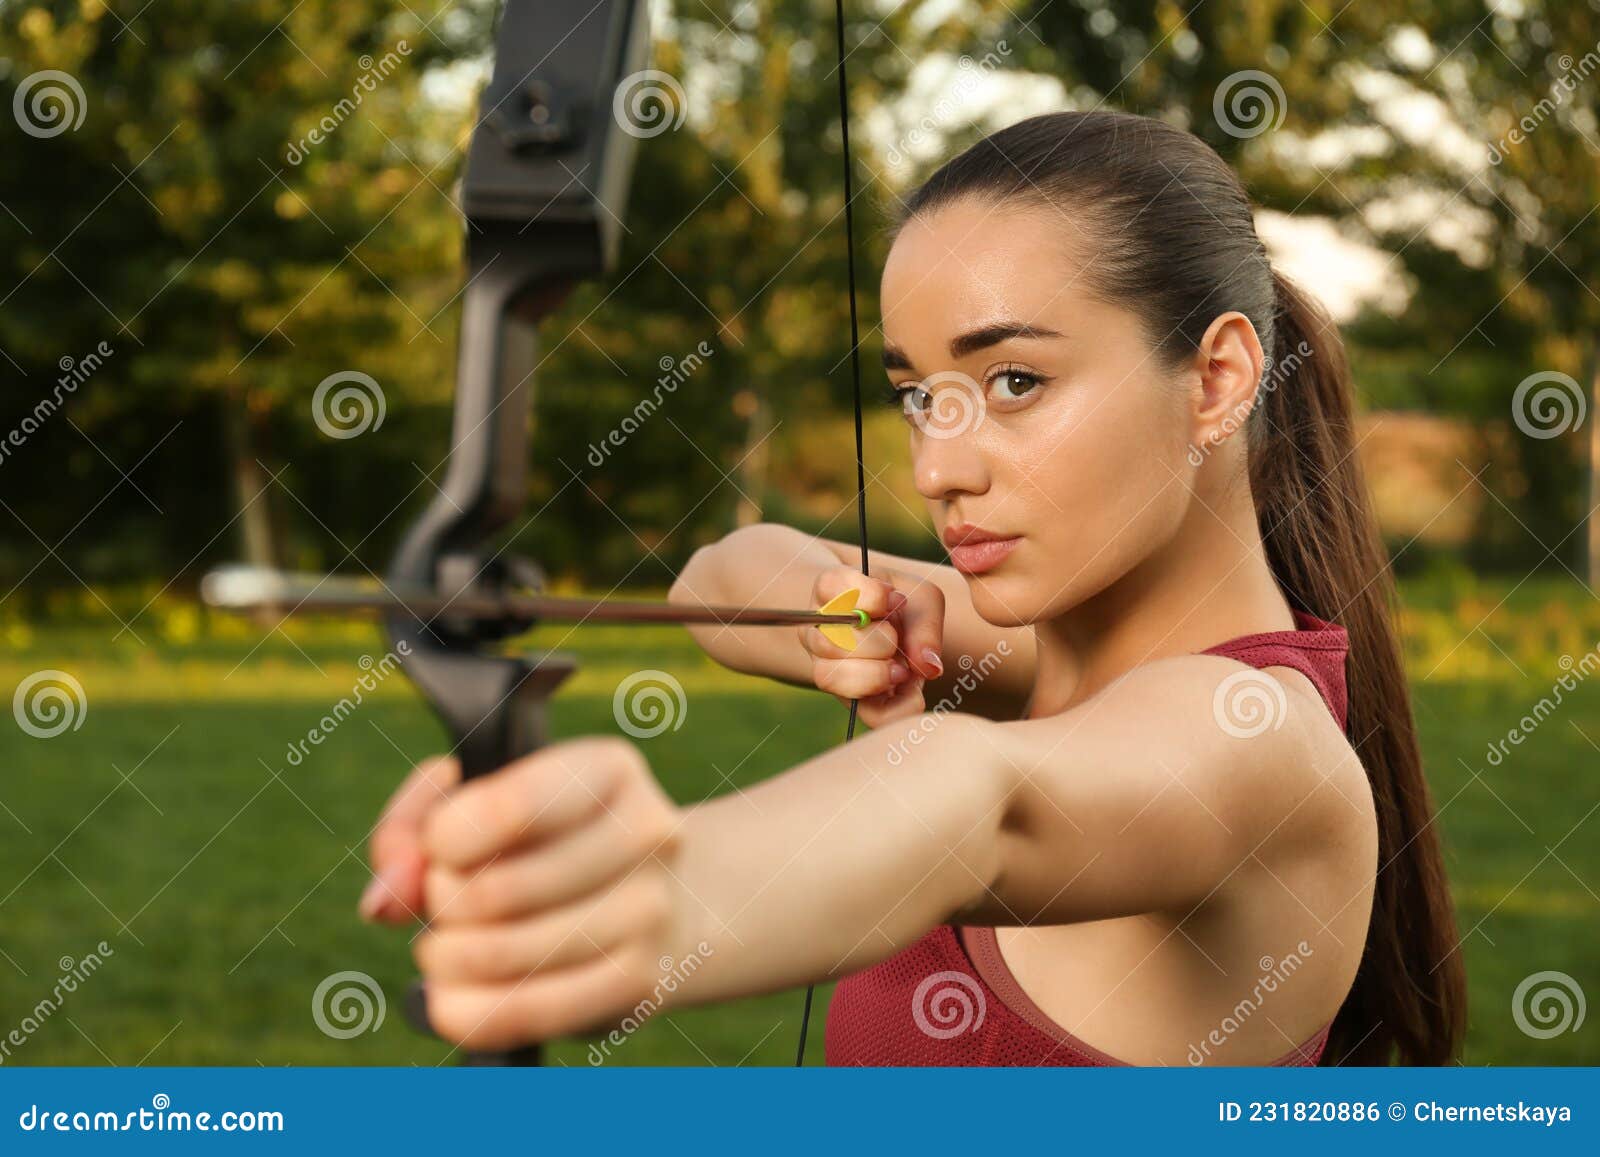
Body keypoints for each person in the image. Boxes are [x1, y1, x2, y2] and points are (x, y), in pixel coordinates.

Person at [359, 108, 1465, 1066]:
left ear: (1217, 378)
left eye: (1014, 381)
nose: (938, 466)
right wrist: (848, 618)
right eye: (916, 394)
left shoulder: (1258, 741)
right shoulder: (1053, 638)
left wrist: (659, 886)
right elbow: (720, 577)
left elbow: (979, 798)